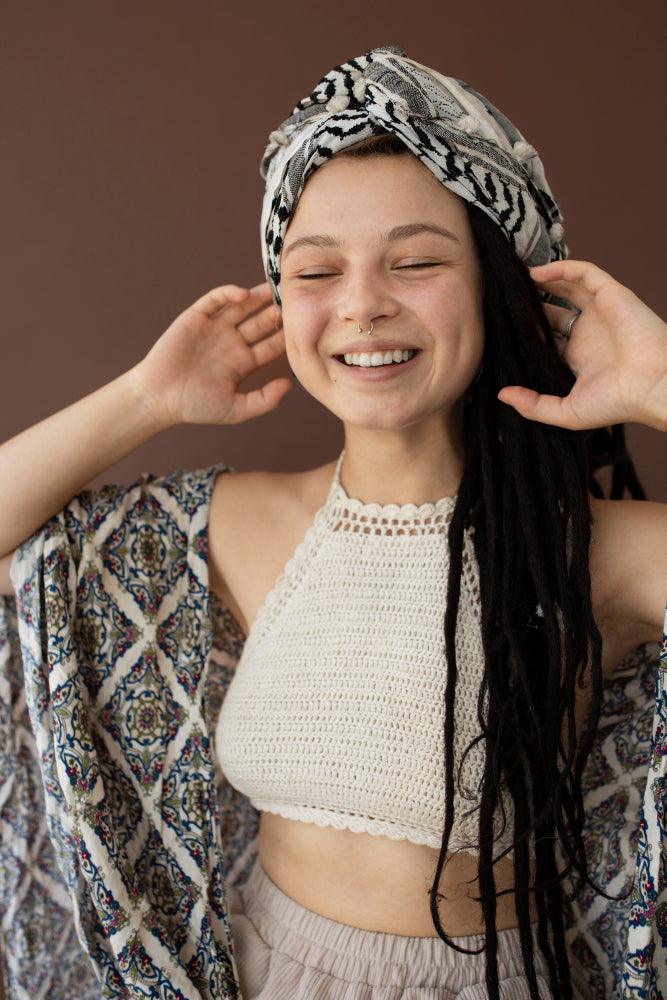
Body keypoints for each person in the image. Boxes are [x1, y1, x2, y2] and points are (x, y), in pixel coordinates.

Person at [0, 43, 665, 1000]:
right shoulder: (243, 523)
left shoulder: (596, 551)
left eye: (415, 261)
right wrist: (145, 398)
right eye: (315, 270)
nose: (361, 305)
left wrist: (656, 384)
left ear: (500, 283)